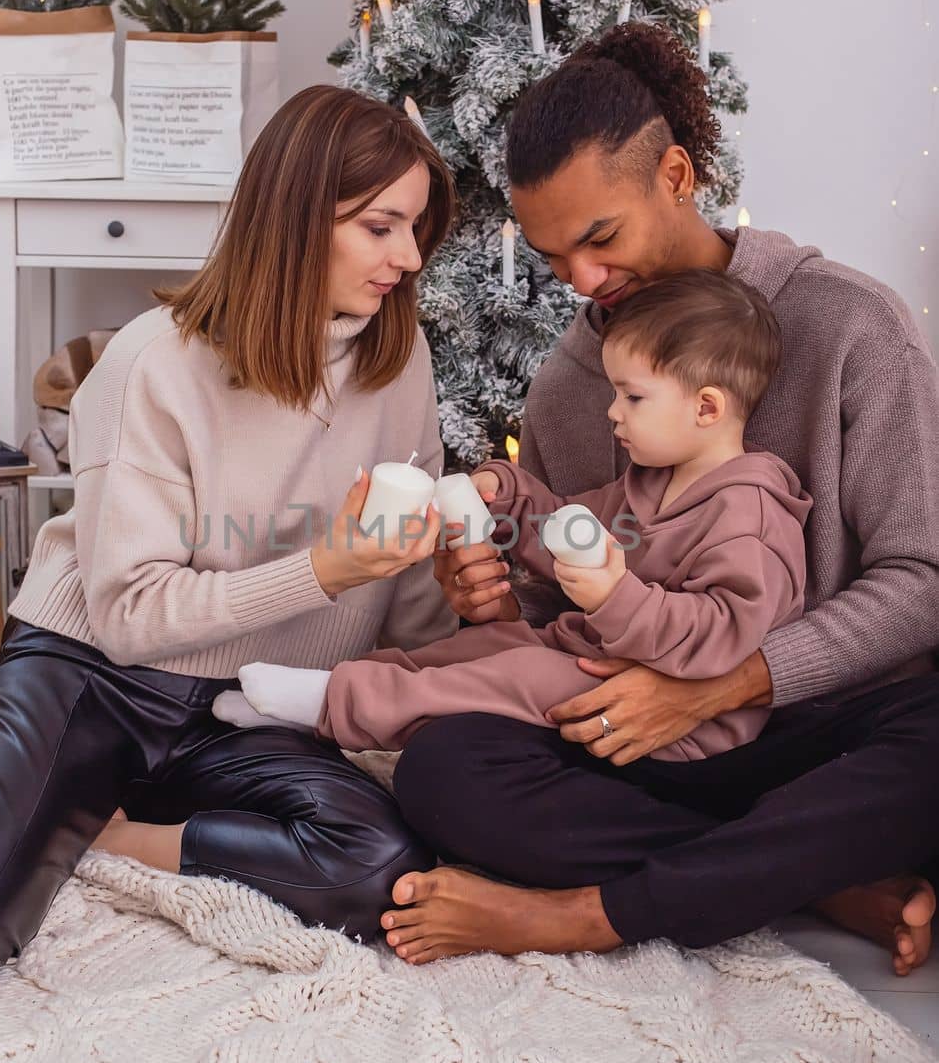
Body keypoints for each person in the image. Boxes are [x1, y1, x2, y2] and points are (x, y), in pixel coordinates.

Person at [376, 23, 939, 973]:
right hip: (648, 745)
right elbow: (561, 612)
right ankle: (802, 874)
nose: (585, 284)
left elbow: (921, 581)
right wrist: (498, 596)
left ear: (674, 176)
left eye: (600, 238)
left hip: (826, 724)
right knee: (442, 771)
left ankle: (585, 914)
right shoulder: (572, 383)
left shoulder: (848, 325)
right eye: (555, 260)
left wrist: (726, 684)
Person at [0, 84, 460, 992]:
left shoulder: (399, 356)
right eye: (380, 227)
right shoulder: (155, 360)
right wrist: (323, 570)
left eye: (415, 228)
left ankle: (101, 828)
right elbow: (129, 615)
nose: (407, 257)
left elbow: (405, 575)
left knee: (375, 870)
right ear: (299, 216)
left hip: (248, 701)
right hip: (93, 676)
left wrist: (453, 641)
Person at [233, 271, 812, 761]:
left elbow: (724, 636)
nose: (613, 413)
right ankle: (335, 698)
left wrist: (615, 596)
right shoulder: (648, 482)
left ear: (707, 407)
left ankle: (336, 704)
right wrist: (504, 494)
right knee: (485, 650)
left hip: (675, 722)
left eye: (632, 397)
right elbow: (558, 527)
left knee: (528, 677)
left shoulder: (750, 515)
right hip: (593, 659)